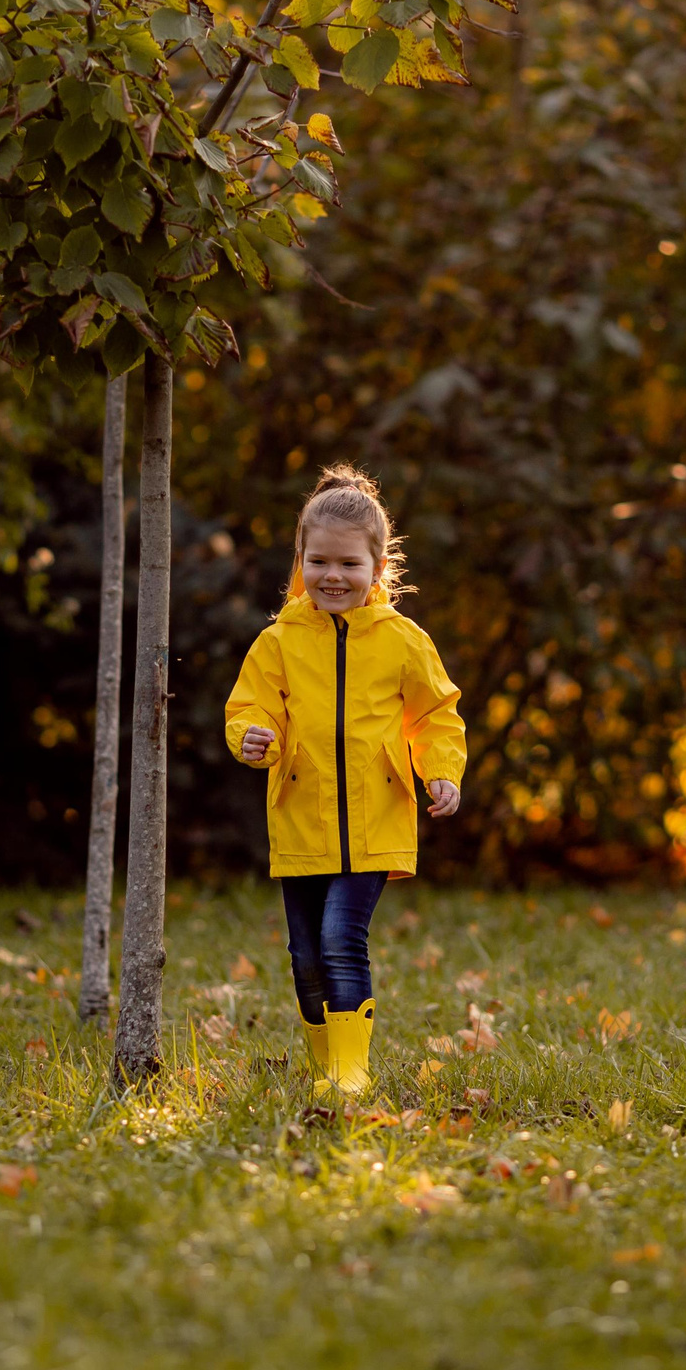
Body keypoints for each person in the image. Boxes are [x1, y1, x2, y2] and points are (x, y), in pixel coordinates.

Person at [223, 467, 465, 1099]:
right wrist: (250, 737)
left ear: (378, 568)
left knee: (340, 939)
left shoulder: (403, 641)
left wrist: (440, 771)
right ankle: (325, 1063)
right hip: (300, 817)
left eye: (349, 564)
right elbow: (248, 708)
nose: (333, 576)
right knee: (305, 958)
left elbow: (437, 714)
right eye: (318, 561)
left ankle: (350, 1075)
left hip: (375, 820)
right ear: (300, 562)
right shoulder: (277, 642)